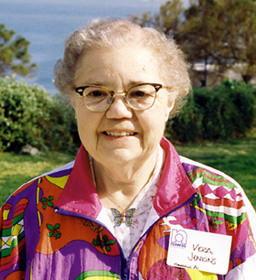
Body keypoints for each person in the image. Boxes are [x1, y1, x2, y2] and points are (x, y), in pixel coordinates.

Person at [0, 18, 255, 280]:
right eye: (96, 93)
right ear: (74, 100)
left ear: (170, 100)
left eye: (140, 93)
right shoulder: (25, 211)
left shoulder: (224, 204)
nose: (119, 111)